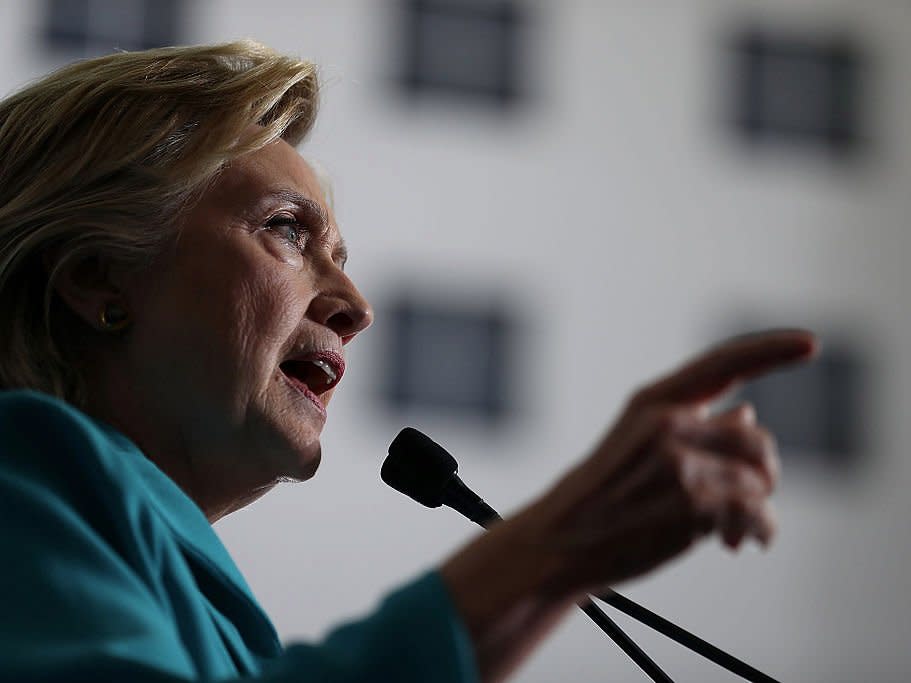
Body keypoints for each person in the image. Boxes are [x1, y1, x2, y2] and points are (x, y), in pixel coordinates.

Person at [0, 40, 816, 683]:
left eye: (339, 252)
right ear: (96, 275)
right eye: (287, 229)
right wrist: (556, 541)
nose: (355, 305)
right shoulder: (21, 480)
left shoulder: (188, 601)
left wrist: (563, 561)